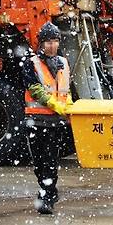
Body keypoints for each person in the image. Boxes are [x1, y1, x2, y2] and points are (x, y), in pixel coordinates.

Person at [23, 21, 73, 215]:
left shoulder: (63, 63)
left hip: (55, 122)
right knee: (39, 162)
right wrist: (53, 104)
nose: (52, 46)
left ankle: (47, 196)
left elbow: (66, 89)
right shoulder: (31, 63)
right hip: (36, 120)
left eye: (55, 41)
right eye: (48, 42)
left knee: (50, 161)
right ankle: (47, 191)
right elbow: (34, 89)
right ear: (41, 44)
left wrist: (67, 105)